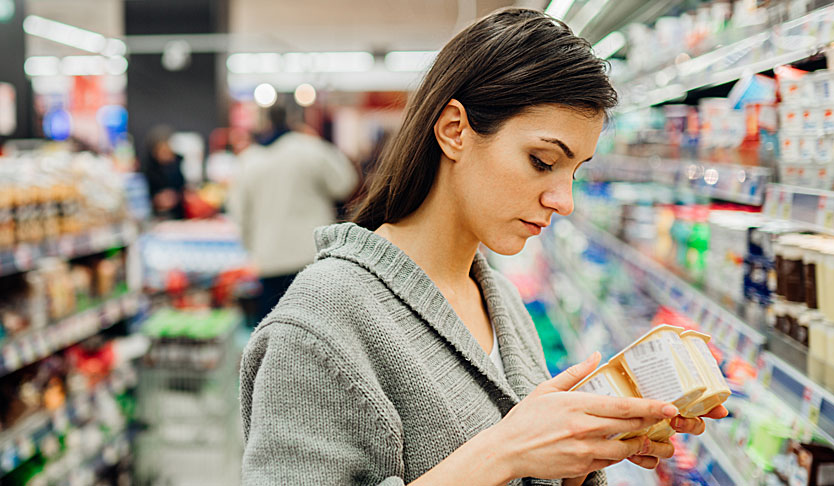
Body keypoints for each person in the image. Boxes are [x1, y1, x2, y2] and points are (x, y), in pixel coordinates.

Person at [240, 8, 727, 486]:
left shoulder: (501, 301)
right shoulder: (318, 325)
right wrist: (506, 451)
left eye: (574, 172)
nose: (565, 201)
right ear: (455, 130)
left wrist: (576, 456)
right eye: (542, 161)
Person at [229, 103, 359, 325]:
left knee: (272, 334)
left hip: (269, 259)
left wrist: (252, 249)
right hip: (312, 256)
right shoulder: (310, 149)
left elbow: (239, 213)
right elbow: (345, 183)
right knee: (317, 330)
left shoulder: (248, 161)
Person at [141, 125, 186, 219]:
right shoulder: (148, 170)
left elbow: (184, 189)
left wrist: (177, 196)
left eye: (167, 151)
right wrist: (156, 200)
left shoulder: (178, 165)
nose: (166, 155)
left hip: (178, 215)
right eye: (162, 151)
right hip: (155, 216)